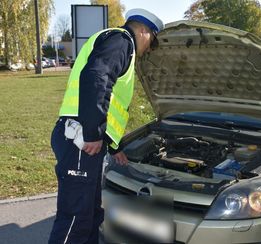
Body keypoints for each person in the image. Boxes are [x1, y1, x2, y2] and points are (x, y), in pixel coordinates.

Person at [48, 8, 164, 244]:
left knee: (90, 214)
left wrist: (113, 145)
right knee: (75, 217)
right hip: (81, 139)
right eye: (152, 40)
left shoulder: (120, 45)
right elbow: (96, 77)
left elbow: (111, 104)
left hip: (82, 138)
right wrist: (93, 133)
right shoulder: (121, 41)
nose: (149, 48)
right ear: (143, 31)